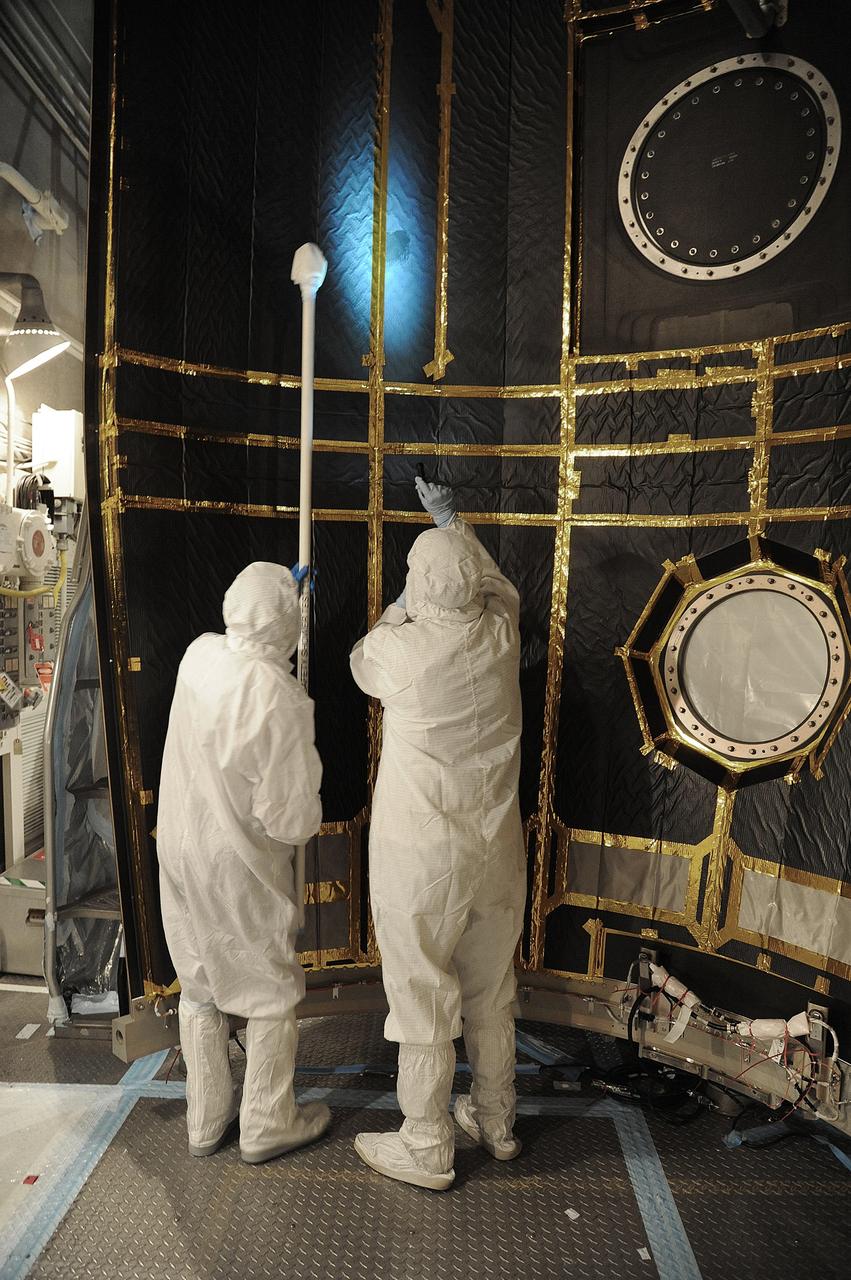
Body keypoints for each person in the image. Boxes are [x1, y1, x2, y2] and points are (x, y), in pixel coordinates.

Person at [350, 478, 527, 1190]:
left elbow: (362, 655)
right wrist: (454, 523)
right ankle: (496, 1119)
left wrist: (401, 603)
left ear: (419, 586)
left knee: (421, 993)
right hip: (495, 849)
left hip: (422, 856)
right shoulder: (499, 636)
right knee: (490, 987)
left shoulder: (401, 653)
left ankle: (425, 1142)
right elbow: (496, 587)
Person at [156, 561, 331, 1164]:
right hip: (236, 866)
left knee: (200, 982)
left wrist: (276, 594)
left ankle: (205, 1121)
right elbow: (293, 820)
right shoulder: (280, 699)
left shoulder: (197, 655)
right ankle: (266, 1123)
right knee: (270, 992)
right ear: (290, 627)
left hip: (179, 849)